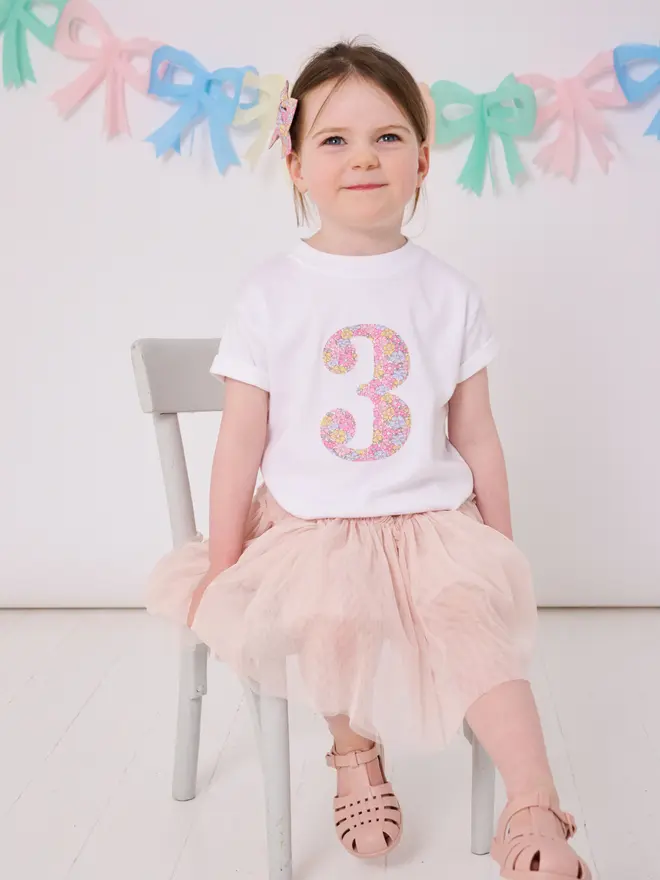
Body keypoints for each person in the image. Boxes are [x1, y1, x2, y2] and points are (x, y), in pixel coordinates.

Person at [146, 39, 592, 879]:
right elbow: (240, 440)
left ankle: (533, 804)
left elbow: (478, 434)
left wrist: (498, 538)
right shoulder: (271, 292)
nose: (363, 157)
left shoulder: (447, 292)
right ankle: (354, 749)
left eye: (388, 137)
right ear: (295, 164)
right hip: (311, 525)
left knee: (472, 627)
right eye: (335, 139)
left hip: (427, 522)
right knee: (330, 615)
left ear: (423, 160)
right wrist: (224, 557)